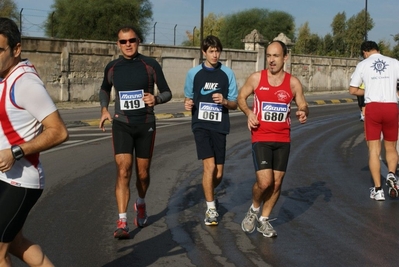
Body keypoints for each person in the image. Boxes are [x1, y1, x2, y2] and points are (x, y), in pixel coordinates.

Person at [0, 18, 68, 266]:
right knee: (16, 244)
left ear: (16, 50)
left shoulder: (25, 84)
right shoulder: (6, 74)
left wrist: (15, 152)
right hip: (5, 178)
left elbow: (59, 131)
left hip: (21, 180)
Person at [99, 25, 172, 239]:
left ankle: (140, 202)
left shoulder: (150, 64)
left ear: (138, 41)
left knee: (142, 173)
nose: (128, 45)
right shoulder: (113, 67)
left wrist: (156, 99)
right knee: (123, 170)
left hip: (145, 124)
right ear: (117, 44)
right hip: (121, 124)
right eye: (123, 41)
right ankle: (122, 221)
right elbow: (104, 89)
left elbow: (167, 92)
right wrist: (104, 108)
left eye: (131, 40)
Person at [238, 40, 308, 237]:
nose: (271, 60)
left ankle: (264, 220)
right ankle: (254, 209)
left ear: (285, 57)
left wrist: (303, 111)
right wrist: (249, 113)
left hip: (283, 138)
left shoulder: (293, 83)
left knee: (277, 183)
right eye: (269, 55)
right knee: (265, 182)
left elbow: (303, 104)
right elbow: (241, 98)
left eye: (276, 56)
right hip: (261, 136)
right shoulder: (256, 79)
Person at [184, 35, 238, 226]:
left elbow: (234, 103)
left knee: (218, 173)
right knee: (209, 167)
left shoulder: (227, 74)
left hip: (220, 126)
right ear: (204, 52)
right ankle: (211, 209)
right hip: (200, 125)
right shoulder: (194, 73)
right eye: (211, 51)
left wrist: (224, 101)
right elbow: (188, 98)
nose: (215, 55)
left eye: (217, 51)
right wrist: (188, 103)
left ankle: (209, 191)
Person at [349, 40, 399, 201]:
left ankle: (378, 190)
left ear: (365, 52)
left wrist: (368, 89)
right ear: (378, 49)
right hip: (391, 107)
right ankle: (392, 174)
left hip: (373, 108)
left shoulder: (363, 65)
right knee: (391, 147)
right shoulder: (394, 62)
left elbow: (353, 89)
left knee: (374, 150)